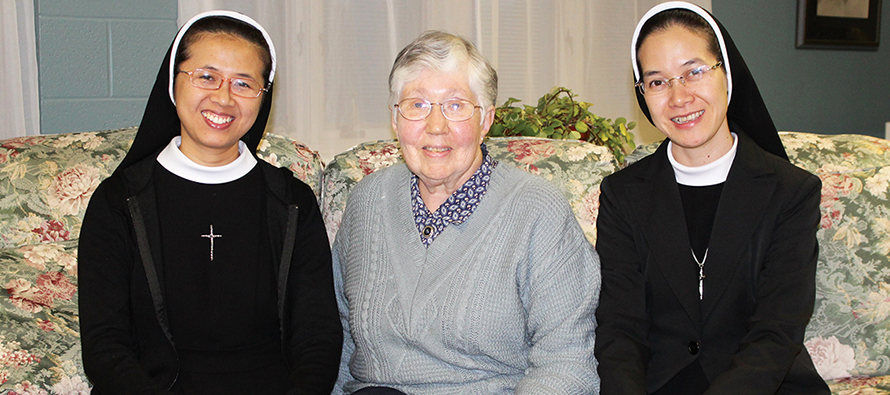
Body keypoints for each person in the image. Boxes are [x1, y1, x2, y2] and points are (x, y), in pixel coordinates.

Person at [78, 11, 341, 394]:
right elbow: (104, 345)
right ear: (173, 82)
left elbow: (317, 335)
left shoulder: (291, 202)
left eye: (243, 83)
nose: (223, 97)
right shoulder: (119, 201)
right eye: (206, 76)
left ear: (263, 96)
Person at [331, 31, 600, 394]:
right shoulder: (367, 201)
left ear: (486, 120)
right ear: (395, 120)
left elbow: (566, 363)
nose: (436, 127)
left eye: (456, 106)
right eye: (417, 105)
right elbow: (337, 337)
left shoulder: (538, 211)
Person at [594, 2, 829, 394]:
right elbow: (621, 330)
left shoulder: (791, 192)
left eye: (694, 72)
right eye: (657, 81)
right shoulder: (622, 196)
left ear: (726, 72)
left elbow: (777, 333)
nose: (679, 96)